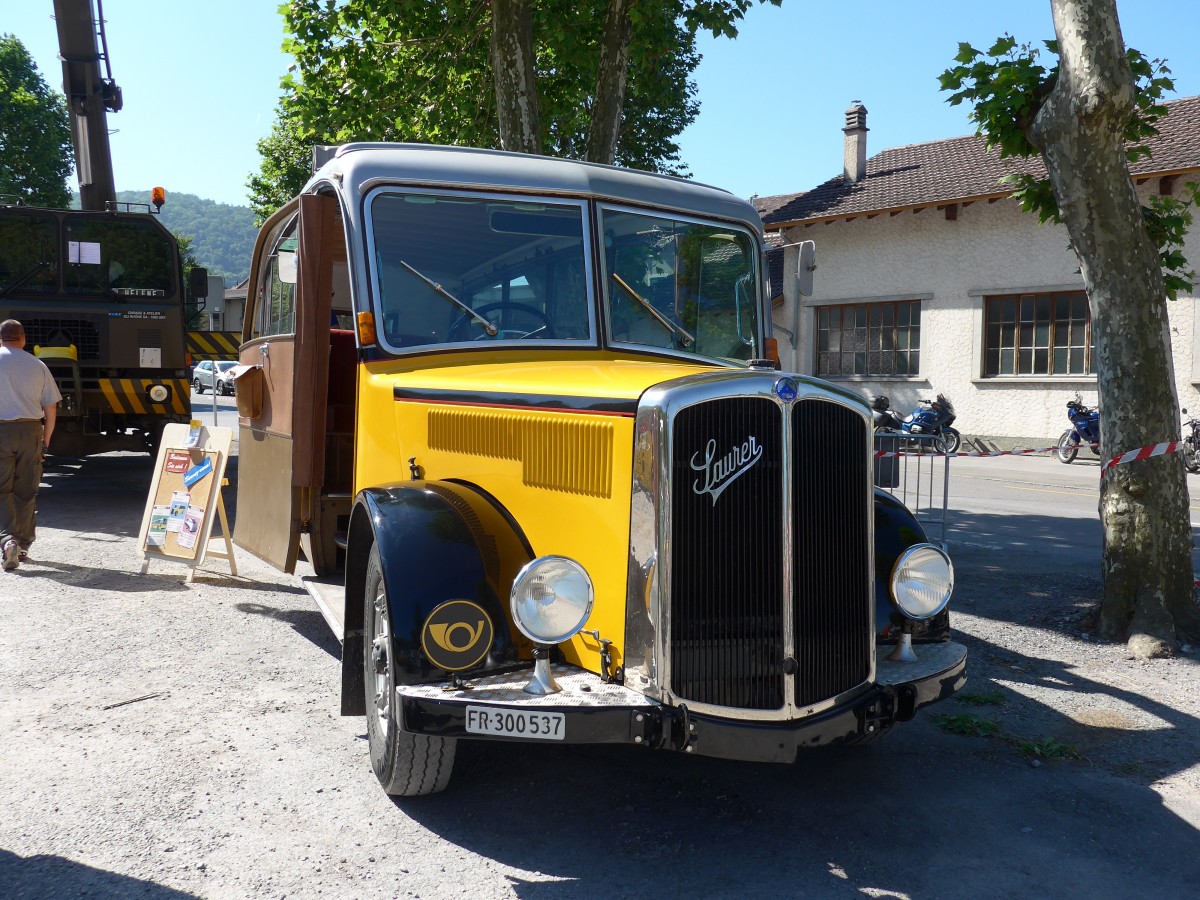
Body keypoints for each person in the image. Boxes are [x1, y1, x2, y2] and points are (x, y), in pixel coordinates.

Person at [0, 319, 61, 571]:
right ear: (23, 338)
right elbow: (51, 407)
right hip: (31, 430)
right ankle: (23, 545)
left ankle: (7, 540)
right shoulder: (38, 365)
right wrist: (45, 441)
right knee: (27, 489)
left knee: (2, 488)